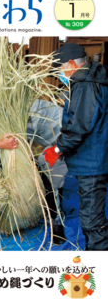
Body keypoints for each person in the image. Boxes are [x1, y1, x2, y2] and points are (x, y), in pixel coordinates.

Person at [44, 42, 108, 252]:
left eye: (59, 69)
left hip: (91, 163)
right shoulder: (94, 79)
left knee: (92, 221)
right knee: (91, 215)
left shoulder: (85, 83)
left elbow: (80, 125)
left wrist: (57, 149)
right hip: (93, 159)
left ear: (71, 63)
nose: (59, 75)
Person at [0, 98, 68, 245]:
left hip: (52, 146)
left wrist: (57, 149)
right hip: (10, 150)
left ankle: (56, 220)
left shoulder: (37, 109)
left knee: (49, 182)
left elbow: (70, 131)